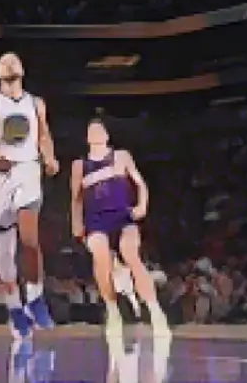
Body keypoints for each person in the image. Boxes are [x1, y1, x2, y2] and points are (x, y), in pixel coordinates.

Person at [0, 52, 59, 338]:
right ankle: (15, 306)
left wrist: (50, 157)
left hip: (27, 169)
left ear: (23, 68)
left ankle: (35, 295)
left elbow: (43, 135)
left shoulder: (36, 103)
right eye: (3, 61)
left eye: (13, 60)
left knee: (30, 237)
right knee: (5, 251)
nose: (8, 63)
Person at [70, 119, 169, 336]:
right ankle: (112, 309)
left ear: (107, 135)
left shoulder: (121, 156)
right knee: (101, 258)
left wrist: (142, 204)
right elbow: (76, 199)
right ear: (86, 138)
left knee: (131, 254)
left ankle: (154, 309)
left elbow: (140, 183)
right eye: (91, 130)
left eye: (99, 129)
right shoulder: (80, 165)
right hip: (96, 220)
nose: (95, 133)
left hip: (123, 215)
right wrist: (76, 224)